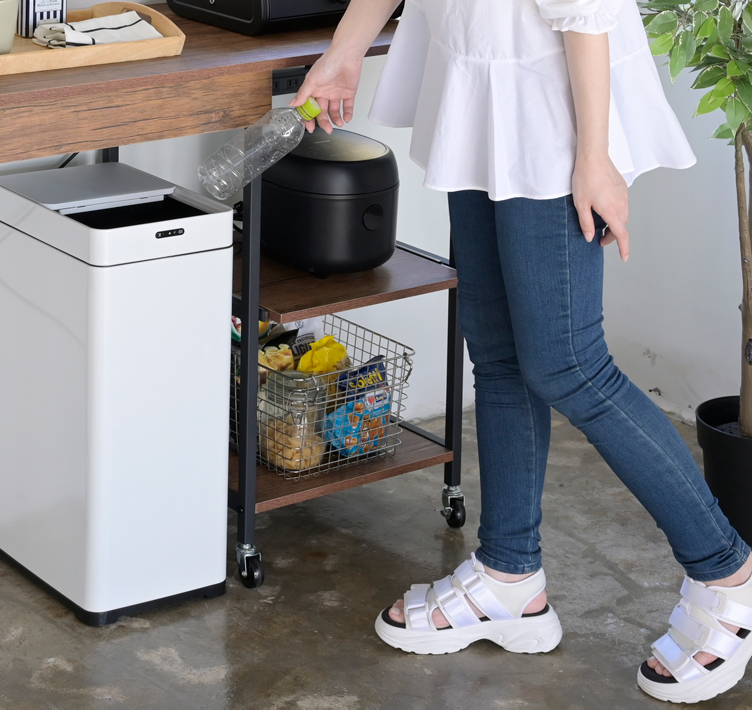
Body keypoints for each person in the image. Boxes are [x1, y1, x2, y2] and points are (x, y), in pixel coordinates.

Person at [290, 0, 752, 702]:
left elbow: (586, 12)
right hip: (476, 81)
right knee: (498, 351)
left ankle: (728, 577)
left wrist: (594, 157)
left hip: (553, 103)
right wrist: (346, 49)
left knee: (569, 364)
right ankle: (509, 576)